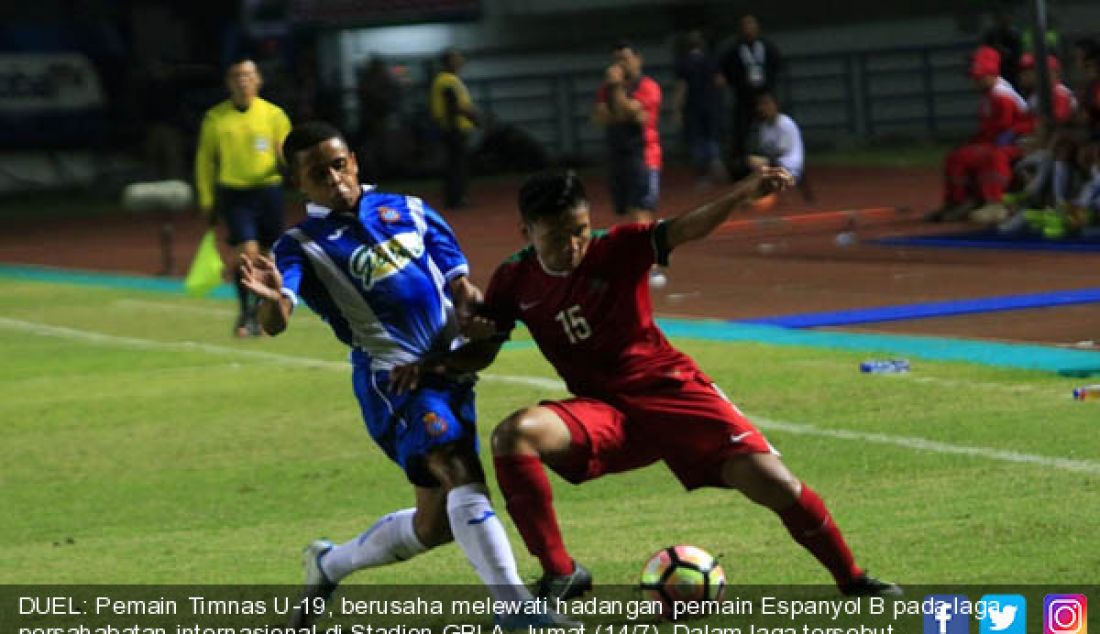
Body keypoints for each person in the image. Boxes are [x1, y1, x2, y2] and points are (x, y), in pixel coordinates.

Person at [406, 167, 900, 600]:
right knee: (513, 435)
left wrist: (741, 193)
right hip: (604, 413)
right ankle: (562, 573)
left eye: (579, 230)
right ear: (527, 231)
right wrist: (434, 363)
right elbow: (487, 346)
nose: (573, 244)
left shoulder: (616, 248)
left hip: (672, 393)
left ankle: (852, 578)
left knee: (776, 484)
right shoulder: (514, 279)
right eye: (557, 235)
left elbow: (684, 228)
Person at [238, 122, 568, 629]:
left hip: (451, 373)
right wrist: (268, 303)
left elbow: (461, 285)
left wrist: (475, 313)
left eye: (338, 164)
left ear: (353, 161)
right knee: (462, 471)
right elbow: (279, 319)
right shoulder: (300, 245)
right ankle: (515, 608)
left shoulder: (411, 210)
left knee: (434, 526)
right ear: (298, 184)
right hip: (396, 382)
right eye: (317, 173)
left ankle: (328, 564)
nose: (333, 178)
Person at [195, 57, 292, 337]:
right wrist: (206, 198)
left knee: (267, 256)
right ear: (229, 82)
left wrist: (288, 162)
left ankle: (264, 313)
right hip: (235, 193)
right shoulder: (216, 118)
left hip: (268, 191)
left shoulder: (274, 115)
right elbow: (205, 161)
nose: (243, 80)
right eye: (237, 76)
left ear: (258, 80)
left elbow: (286, 153)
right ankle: (245, 312)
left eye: (249, 75)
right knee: (245, 254)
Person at [592, 40, 665, 287]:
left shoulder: (648, 87)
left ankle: (650, 265)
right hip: (617, 155)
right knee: (625, 211)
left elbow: (628, 113)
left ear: (638, 59)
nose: (620, 64)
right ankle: (640, 258)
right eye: (616, 59)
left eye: (625, 58)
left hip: (642, 154)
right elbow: (602, 117)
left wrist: (616, 89)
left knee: (640, 210)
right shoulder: (606, 89)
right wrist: (615, 100)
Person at [928, 46, 1028, 224]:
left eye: (978, 77)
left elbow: (1002, 130)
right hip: (997, 141)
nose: (974, 81)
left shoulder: (1001, 96)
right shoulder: (991, 94)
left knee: (967, 157)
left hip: (1013, 144)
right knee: (956, 156)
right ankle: (957, 201)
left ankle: (990, 202)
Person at [719, 15, 783, 179]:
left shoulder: (766, 46)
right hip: (743, 97)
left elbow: (777, 65)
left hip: (764, 95)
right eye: (746, 26)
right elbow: (722, 70)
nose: (749, 29)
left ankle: (776, 167)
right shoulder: (733, 48)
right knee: (740, 134)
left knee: (771, 131)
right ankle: (739, 171)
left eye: (752, 26)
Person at [672, 30, 726, 187]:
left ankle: (703, 175)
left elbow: (682, 88)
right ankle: (715, 161)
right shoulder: (711, 60)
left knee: (697, 140)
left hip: (693, 107)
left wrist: (677, 110)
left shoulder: (683, 63)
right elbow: (720, 81)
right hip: (711, 105)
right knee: (712, 136)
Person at [430, 48, 480, 210]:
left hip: (452, 128)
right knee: (457, 165)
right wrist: (473, 116)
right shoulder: (447, 81)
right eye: (456, 58)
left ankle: (455, 197)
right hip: (454, 128)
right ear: (448, 62)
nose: (460, 61)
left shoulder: (447, 79)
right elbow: (454, 105)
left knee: (454, 164)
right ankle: (457, 198)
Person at [748, 92, 804, 184]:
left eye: (767, 104)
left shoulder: (785, 124)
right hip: (774, 164)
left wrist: (762, 161)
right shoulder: (764, 126)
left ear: (776, 106)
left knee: (754, 164)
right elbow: (764, 149)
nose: (764, 108)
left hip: (788, 167)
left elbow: (781, 152)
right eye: (762, 105)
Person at [982, 9, 1024, 90]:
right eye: (1002, 18)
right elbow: (985, 51)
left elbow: (1018, 54)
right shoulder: (992, 34)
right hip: (996, 70)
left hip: (1011, 71)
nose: (1005, 20)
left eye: (1007, 18)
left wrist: (1006, 53)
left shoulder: (1014, 34)